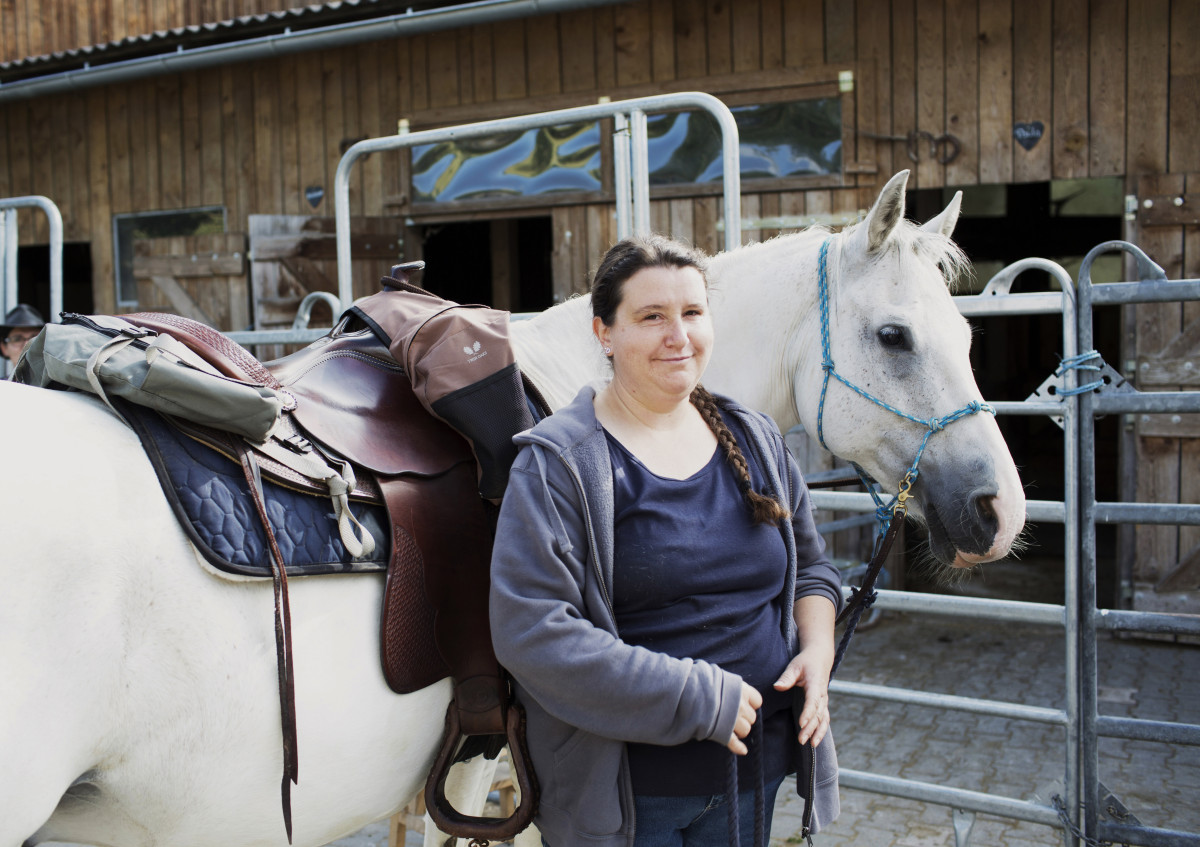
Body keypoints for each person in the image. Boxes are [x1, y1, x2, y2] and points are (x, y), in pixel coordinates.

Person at [489, 235, 842, 847]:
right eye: (651, 317)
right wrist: (698, 697)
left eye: (692, 314)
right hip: (629, 795)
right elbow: (533, 632)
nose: (677, 335)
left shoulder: (754, 438)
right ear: (603, 332)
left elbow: (811, 570)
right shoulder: (561, 463)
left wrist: (817, 651)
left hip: (753, 773)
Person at [1, 303, 45, 375]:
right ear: (4, 347)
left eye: (35, 338)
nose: (26, 345)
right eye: (17, 339)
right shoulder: (3, 386)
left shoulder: (64, 385)